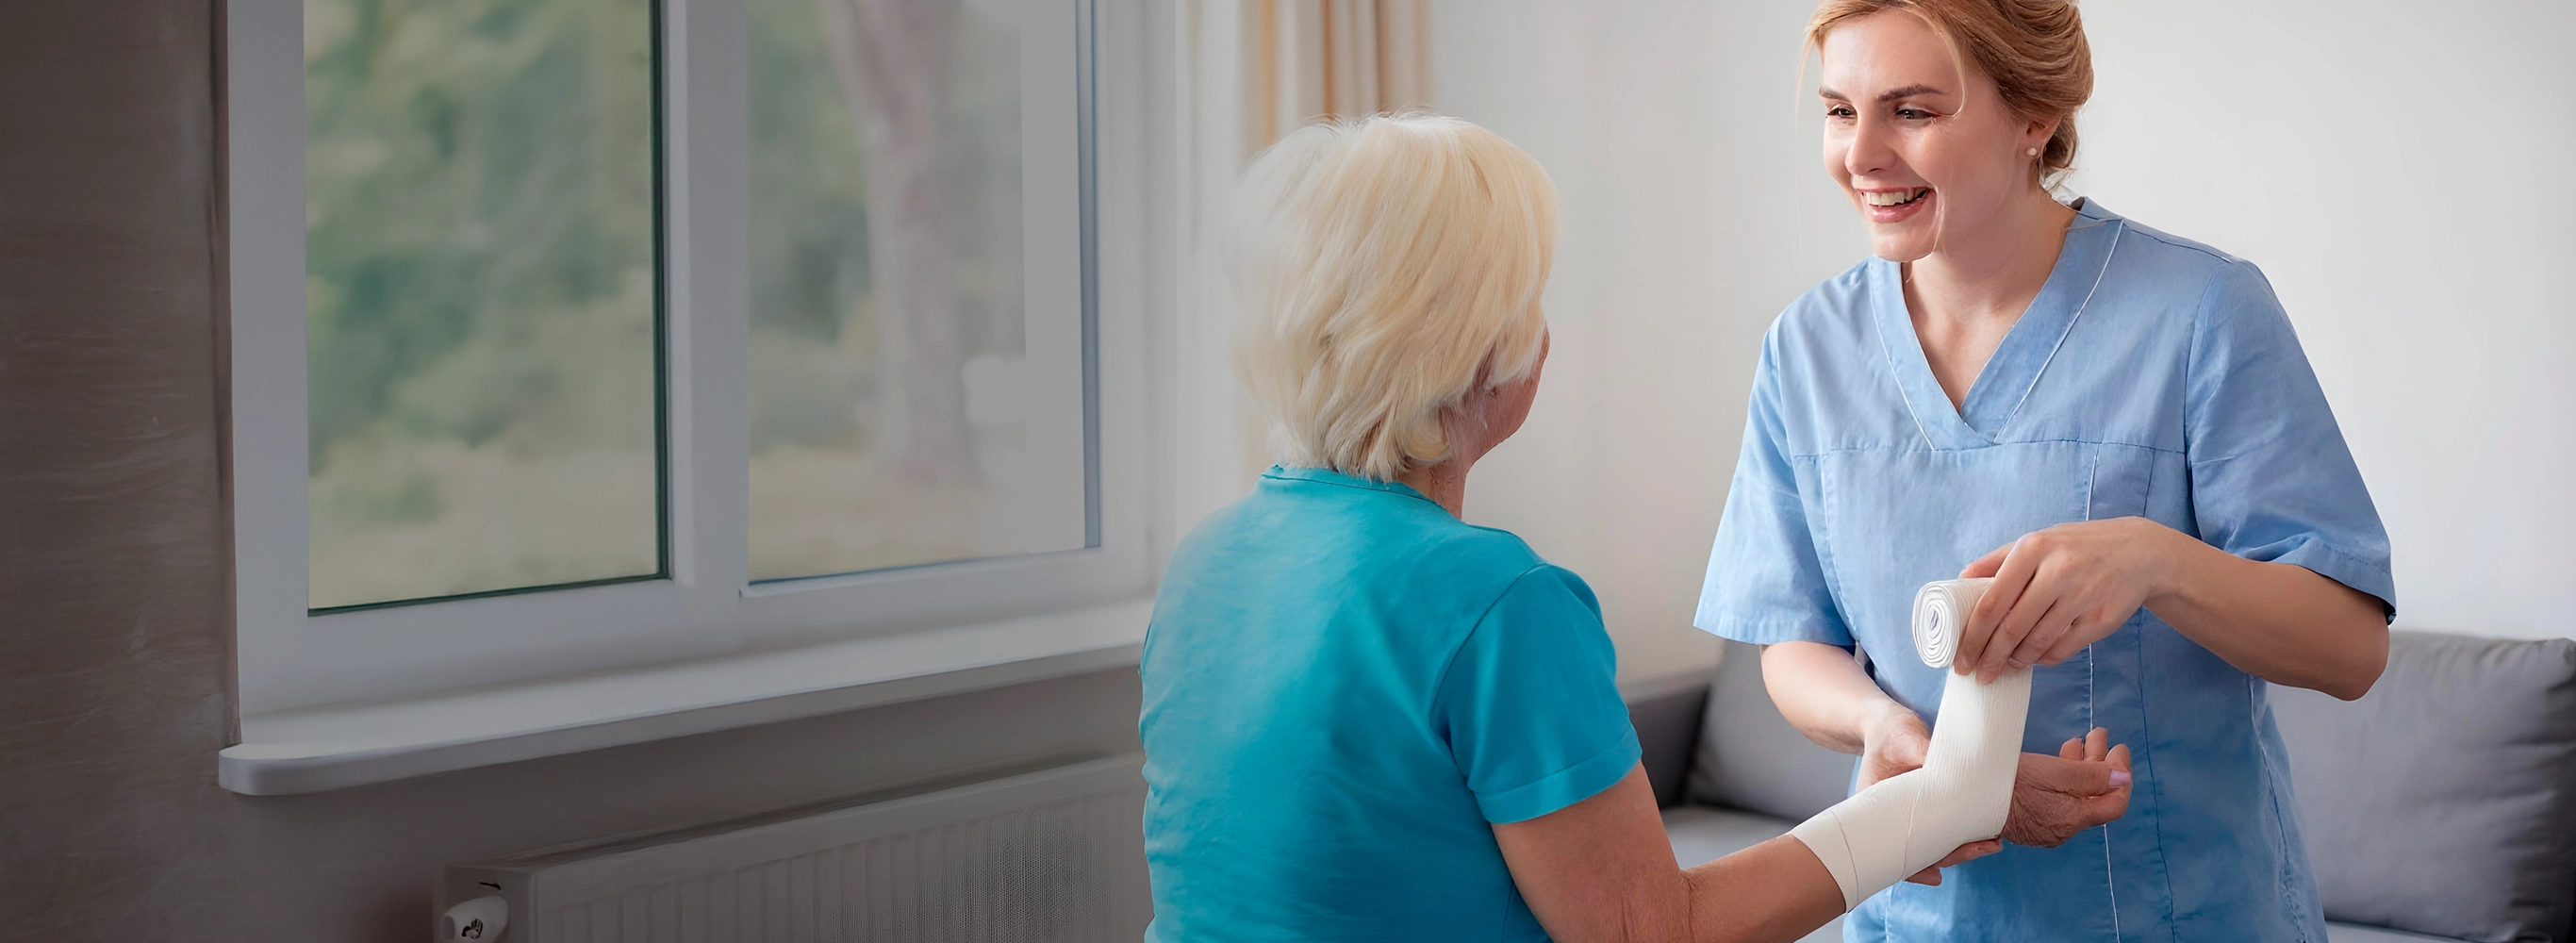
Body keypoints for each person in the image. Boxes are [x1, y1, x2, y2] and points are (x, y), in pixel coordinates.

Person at [1139, 112, 2131, 943]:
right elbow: (1650, 931)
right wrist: (1936, 805)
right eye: (1525, 299)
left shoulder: (1205, 564)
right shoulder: (1494, 602)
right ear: (1473, 344)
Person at [1696, 1, 2397, 940]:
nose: (1858, 155)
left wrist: (2154, 561)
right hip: (1917, 913)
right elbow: (1790, 642)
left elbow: (2349, 647)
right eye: (1837, 110)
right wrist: (1881, 728)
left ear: (2031, 118)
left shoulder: (2198, 313)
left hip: (2180, 914)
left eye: (1909, 111)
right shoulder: (1805, 350)